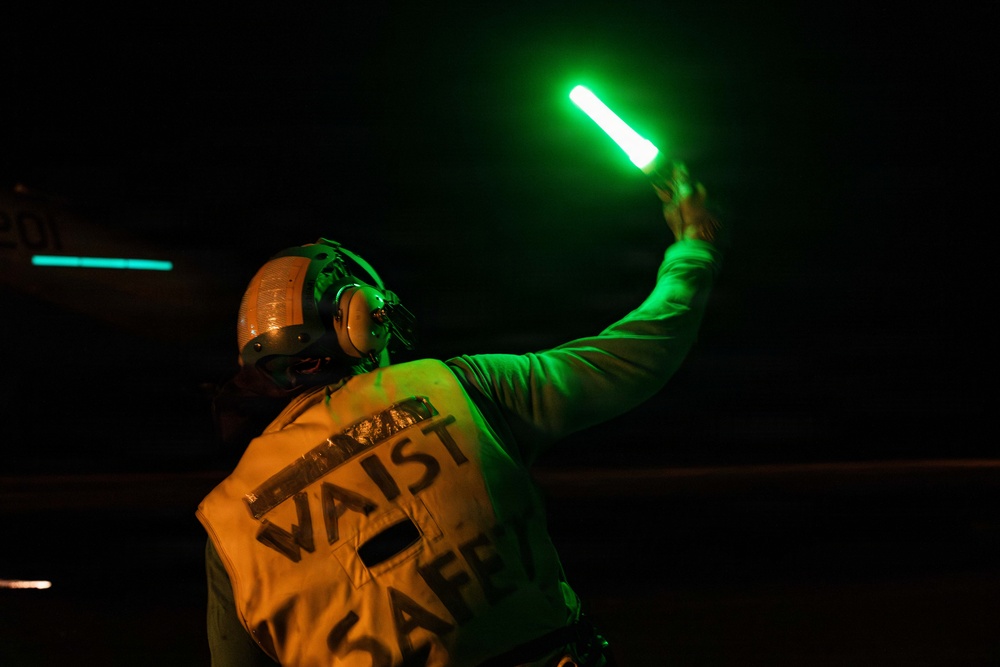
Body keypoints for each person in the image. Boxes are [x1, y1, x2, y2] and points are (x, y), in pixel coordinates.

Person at [197, 161, 724, 666]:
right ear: (362, 320)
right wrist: (693, 246)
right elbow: (641, 353)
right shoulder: (460, 388)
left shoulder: (231, 524)